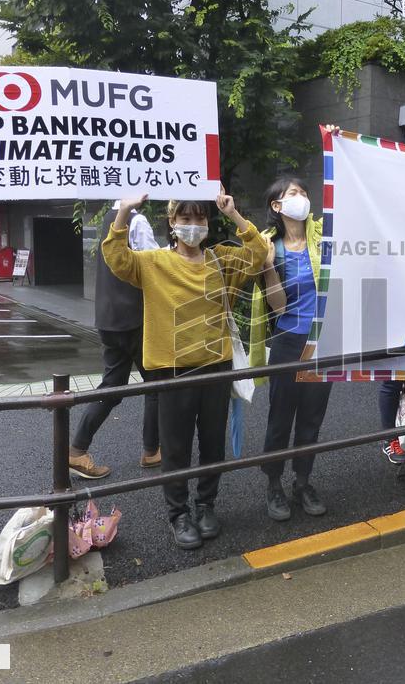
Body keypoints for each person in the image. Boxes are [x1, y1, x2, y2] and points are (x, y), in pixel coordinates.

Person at [103, 191, 266, 550]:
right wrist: (126, 211)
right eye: (185, 219)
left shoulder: (221, 261)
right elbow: (116, 259)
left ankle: (206, 504)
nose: (193, 226)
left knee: (212, 445)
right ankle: (178, 514)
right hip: (170, 370)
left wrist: (234, 213)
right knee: (175, 449)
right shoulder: (152, 263)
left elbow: (257, 255)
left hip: (215, 367)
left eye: (200, 219)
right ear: (172, 225)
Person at [249, 176, 332, 521]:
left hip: (323, 342)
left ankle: (302, 481)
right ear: (277, 206)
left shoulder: (324, 235)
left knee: (312, 417)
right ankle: (274, 485)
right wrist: (268, 267)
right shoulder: (269, 246)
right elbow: (279, 308)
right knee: (280, 418)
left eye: (304, 191)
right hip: (288, 341)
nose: (302, 197)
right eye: (293, 193)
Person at [69, 201, 161, 479]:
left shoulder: (109, 217)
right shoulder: (137, 221)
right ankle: (151, 450)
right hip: (134, 317)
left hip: (108, 317)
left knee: (112, 387)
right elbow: (153, 264)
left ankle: (76, 451)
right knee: (157, 384)